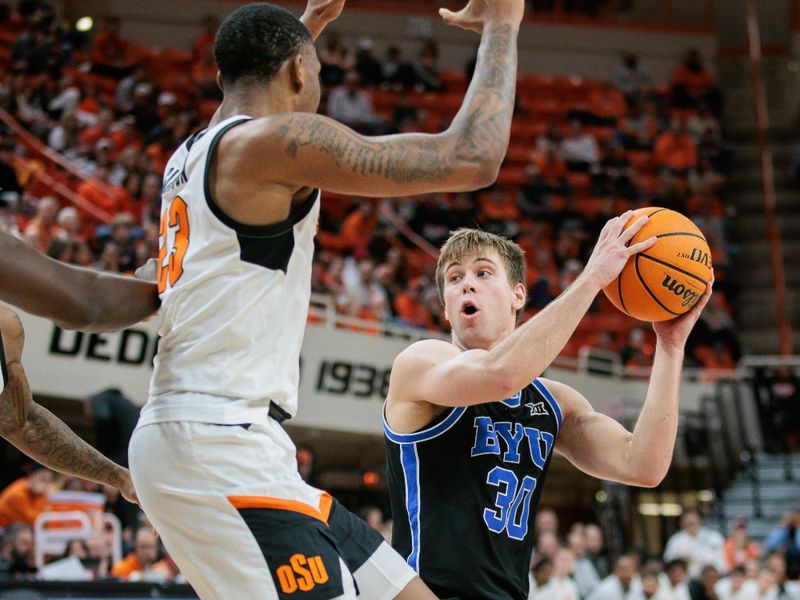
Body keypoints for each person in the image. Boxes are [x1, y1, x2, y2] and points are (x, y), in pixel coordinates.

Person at [124, 0, 523, 598]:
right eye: (314, 70)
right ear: (295, 73)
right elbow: (474, 157)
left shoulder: (195, 153)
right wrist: (501, 26)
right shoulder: (270, 144)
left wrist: (307, 28)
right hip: (217, 440)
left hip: (226, 439)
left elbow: (252, 84)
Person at [384, 223, 712, 599]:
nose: (467, 284)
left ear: (518, 295)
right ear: (445, 308)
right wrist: (591, 279)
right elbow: (501, 375)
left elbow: (643, 465)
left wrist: (670, 347)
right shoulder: (421, 361)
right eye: (454, 278)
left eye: (483, 272)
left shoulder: (553, 403)